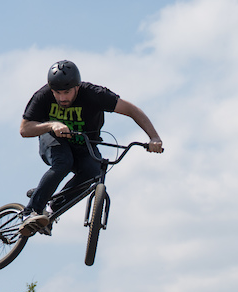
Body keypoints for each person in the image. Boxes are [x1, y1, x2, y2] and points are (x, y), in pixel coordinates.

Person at [18, 60, 163, 236]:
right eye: (57, 93)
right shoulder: (43, 95)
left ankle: (51, 210)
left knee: (94, 173)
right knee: (63, 162)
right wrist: (51, 125)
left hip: (85, 143)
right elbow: (24, 129)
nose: (62, 98)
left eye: (67, 92)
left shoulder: (95, 94)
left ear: (77, 87)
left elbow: (132, 110)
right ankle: (30, 212)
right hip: (54, 141)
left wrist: (153, 137)